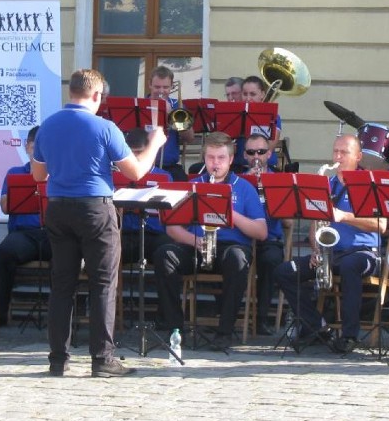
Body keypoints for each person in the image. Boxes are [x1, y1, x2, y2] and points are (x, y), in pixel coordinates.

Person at [32, 69, 166, 378]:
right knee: (103, 283)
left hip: (58, 208)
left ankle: (57, 360)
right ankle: (103, 359)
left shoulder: (47, 126)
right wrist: (154, 144)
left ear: (71, 92)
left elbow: (39, 176)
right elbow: (136, 173)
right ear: (96, 95)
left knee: (62, 284)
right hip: (95, 209)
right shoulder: (105, 128)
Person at [153, 131, 267, 351]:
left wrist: (230, 214)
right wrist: (195, 241)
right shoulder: (192, 186)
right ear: (204, 158)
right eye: (211, 158)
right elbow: (173, 228)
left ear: (231, 160)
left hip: (229, 247)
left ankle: (224, 332)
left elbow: (261, 232)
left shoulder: (244, 188)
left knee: (238, 258)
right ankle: (176, 329)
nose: (216, 163)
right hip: (197, 244)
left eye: (221, 158)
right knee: (164, 255)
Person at [273, 133, 384, 353]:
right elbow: (316, 226)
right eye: (335, 151)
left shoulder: (368, 184)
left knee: (350, 266)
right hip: (331, 253)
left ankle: (350, 335)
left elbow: (381, 226)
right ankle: (318, 326)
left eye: (344, 152)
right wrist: (316, 251)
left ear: (358, 156)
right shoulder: (327, 184)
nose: (338, 157)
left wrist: (345, 216)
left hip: (364, 252)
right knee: (284, 271)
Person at [0, 125, 51, 327]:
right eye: (35, 147)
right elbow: (4, 206)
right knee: (4, 253)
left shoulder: (58, 174)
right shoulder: (15, 173)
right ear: (27, 147)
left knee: (66, 255)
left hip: (51, 234)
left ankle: (60, 317)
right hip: (24, 235)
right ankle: (0, 313)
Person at [241, 133, 288, 335]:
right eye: (251, 152)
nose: (256, 156)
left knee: (270, 260)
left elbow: (289, 221)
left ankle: (261, 318)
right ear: (244, 155)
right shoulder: (238, 180)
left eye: (261, 151)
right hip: (241, 238)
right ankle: (224, 313)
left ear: (269, 154)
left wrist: (266, 191)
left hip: (269, 240)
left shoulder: (279, 179)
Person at [119, 127, 175, 267]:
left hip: (154, 235)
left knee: (166, 250)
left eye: (139, 152)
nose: (135, 157)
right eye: (131, 153)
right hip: (125, 234)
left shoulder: (164, 177)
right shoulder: (117, 177)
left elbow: (169, 216)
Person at [148, 65, 196, 183]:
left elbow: (189, 138)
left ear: (171, 87)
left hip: (170, 166)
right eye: (157, 87)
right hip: (146, 165)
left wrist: (171, 115)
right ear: (150, 85)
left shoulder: (177, 106)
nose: (161, 91)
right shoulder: (141, 105)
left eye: (165, 87)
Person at [230, 75, 282, 172]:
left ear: (262, 94)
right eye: (245, 94)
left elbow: (271, 145)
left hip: (265, 167)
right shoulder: (235, 115)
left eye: (253, 94)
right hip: (238, 167)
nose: (248, 98)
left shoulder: (273, 116)